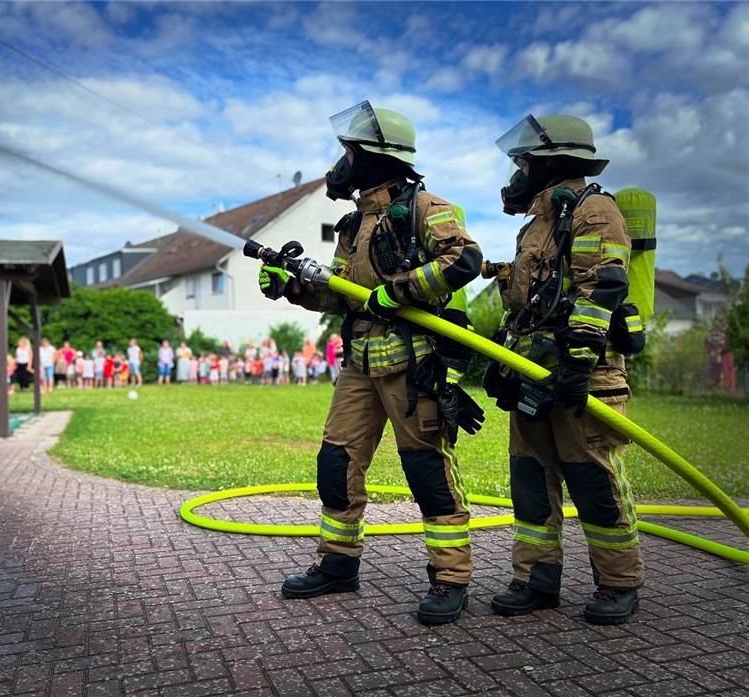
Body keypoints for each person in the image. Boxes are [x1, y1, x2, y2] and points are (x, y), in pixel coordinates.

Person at [259, 101, 483, 624]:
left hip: (412, 365)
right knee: (336, 463)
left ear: (375, 156)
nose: (341, 160)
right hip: (358, 366)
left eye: (348, 150)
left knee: (427, 470)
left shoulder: (428, 208)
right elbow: (339, 295)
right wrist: (290, 288)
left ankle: (450, 577)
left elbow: (465, 260)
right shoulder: (353, 224)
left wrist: (397, 292)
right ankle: (338, 564)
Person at [483, 114, 642, 625]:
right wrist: (501, 358)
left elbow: (603, 289)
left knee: (593, 483)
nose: (518, 170)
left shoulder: (594, 211)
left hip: (582, 377)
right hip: (532, 372)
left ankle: (618, 583)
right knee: (530, 481)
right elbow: (528, 304)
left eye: (524, 160)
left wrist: (577, 364)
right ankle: (535, 579)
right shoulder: (537, 226)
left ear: (551, 163)